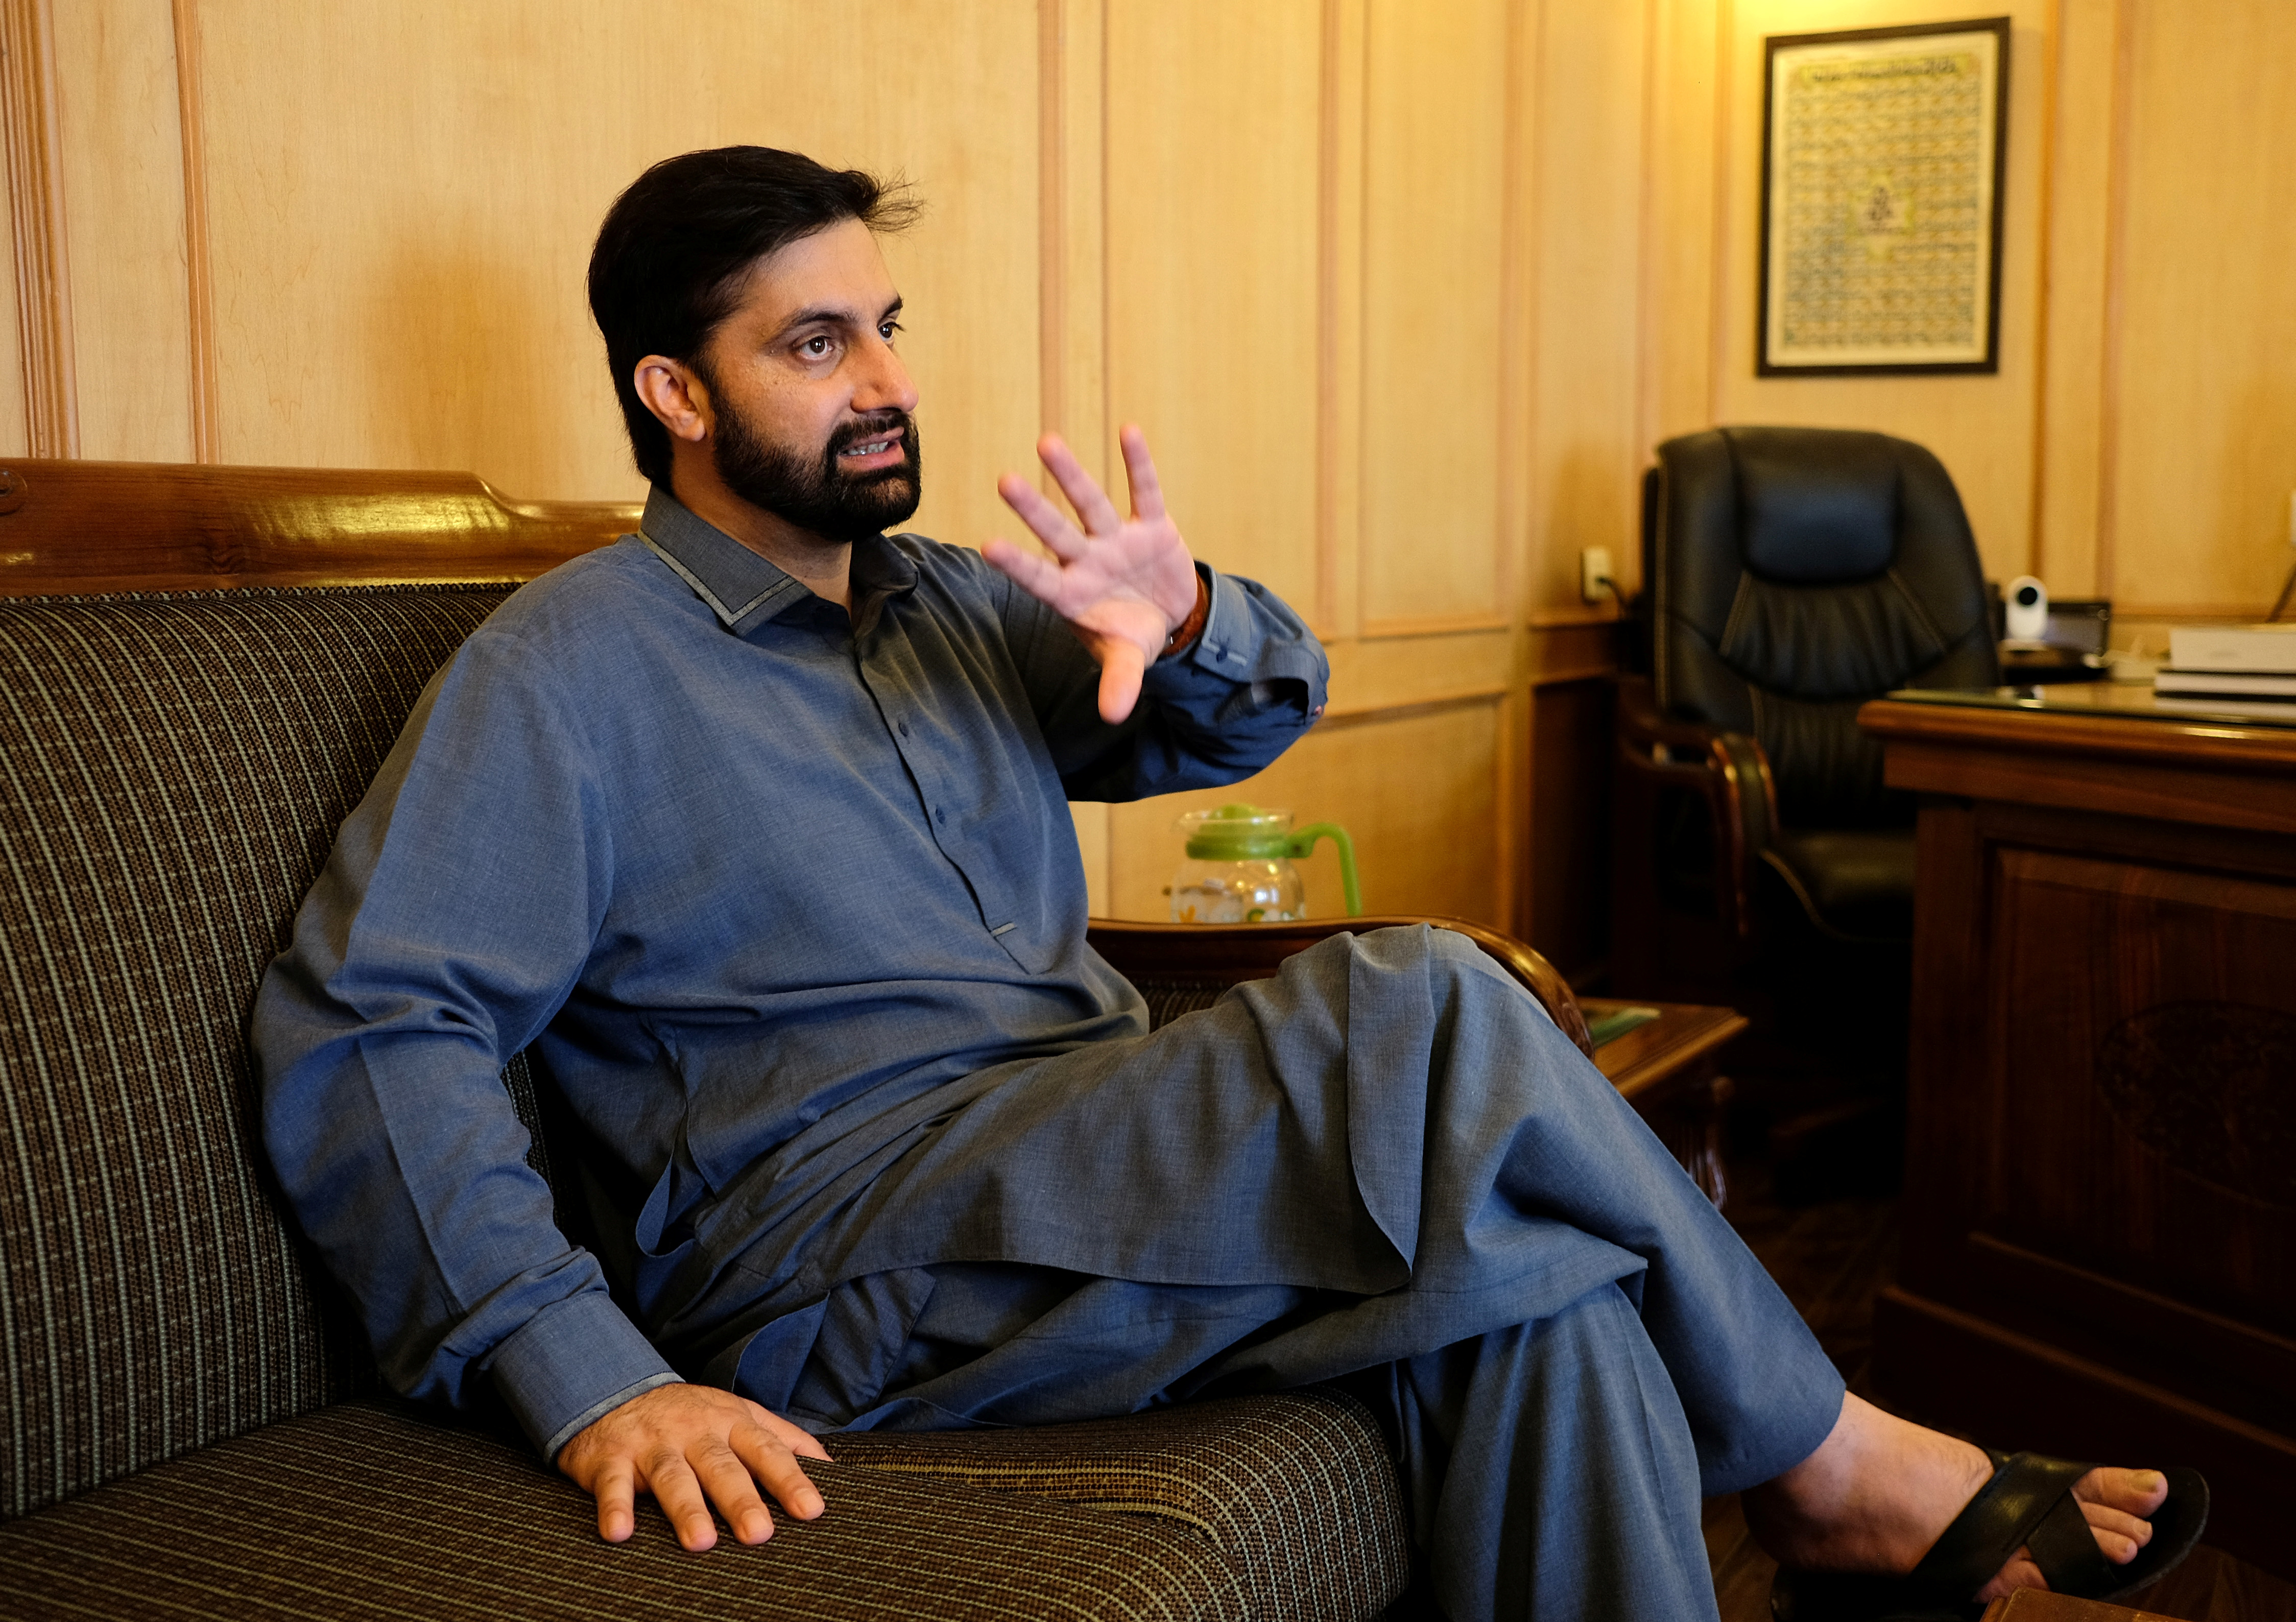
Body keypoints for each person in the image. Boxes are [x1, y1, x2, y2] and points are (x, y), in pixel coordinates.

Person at [253, 147, 2185, 1622]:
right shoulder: (571, 664)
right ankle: (1839, 1465)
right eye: (814, 342)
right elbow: (376, 1024)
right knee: (1429, 994)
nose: (880, 381)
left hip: (1082, 1160)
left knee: (1550, 1295)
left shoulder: (935, 609)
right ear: (677, 394)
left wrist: (1175, 614)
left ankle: (1820, 1475)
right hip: (824, 1252)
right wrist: (582, 1376)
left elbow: (1253, 710)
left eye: (889, 327)